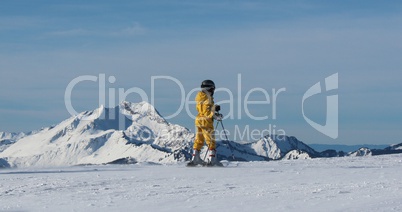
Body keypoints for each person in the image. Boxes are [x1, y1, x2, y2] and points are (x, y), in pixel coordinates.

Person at [187, 80, 223, 166]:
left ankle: (195, 158)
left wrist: (213, 109)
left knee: (199, 139)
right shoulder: (208, 99)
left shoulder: (200, 97)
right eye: (213, 89)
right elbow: (207, 113)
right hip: (206, 121)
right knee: (210, 140)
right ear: (210, 89)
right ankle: (212, 159)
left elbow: (203, 110)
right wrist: (216, 114)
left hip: (198, 120)